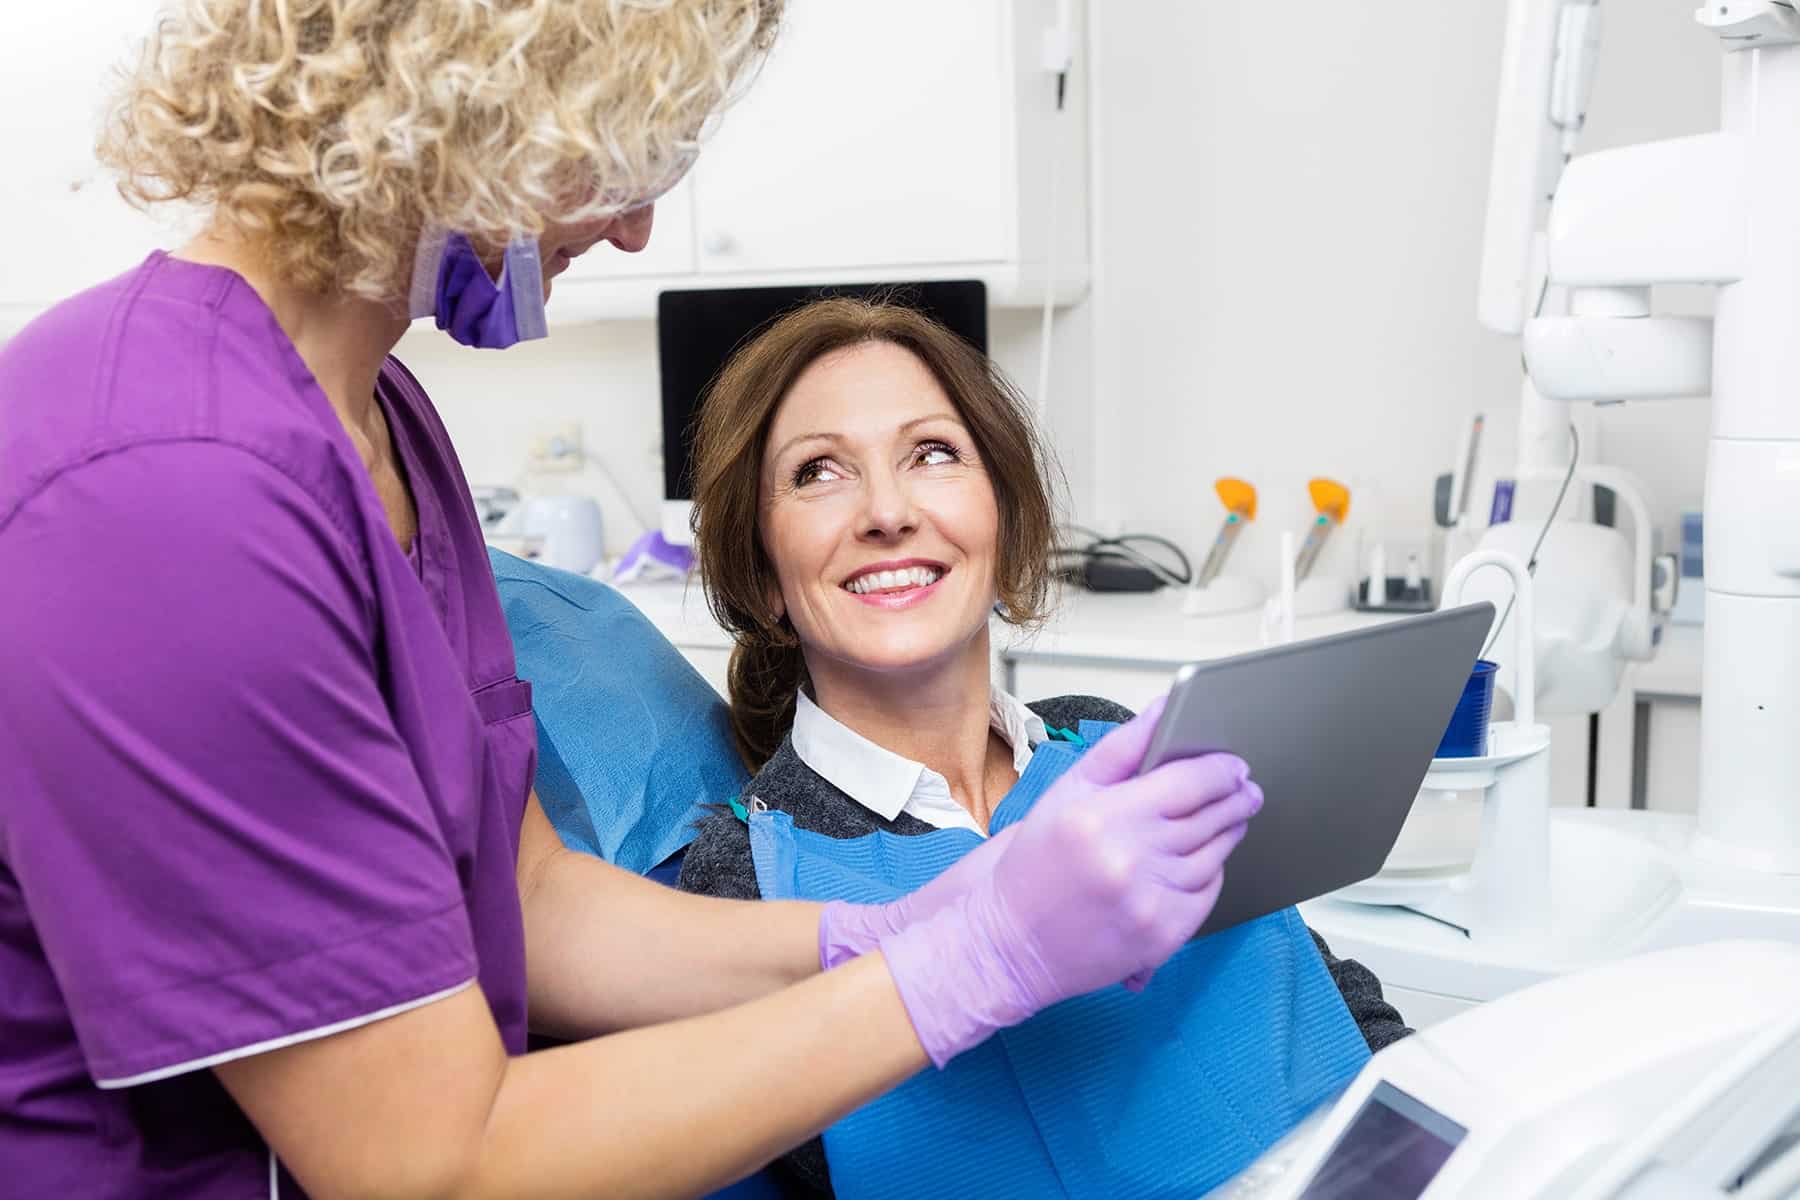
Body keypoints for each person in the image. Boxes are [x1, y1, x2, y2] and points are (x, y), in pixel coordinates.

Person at [0, 3, 1268, 1197]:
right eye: (622, 151)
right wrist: (966, 966)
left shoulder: (379, 421)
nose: (634, 228)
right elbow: (428, 1164)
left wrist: (904, 919)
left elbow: (532, 901)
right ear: (478, 101)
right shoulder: (162, 492)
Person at [676, 297, 1411, 1198]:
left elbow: (1322, 992)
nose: (887, 510)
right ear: (762, 570)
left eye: (933, 452)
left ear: (1005, 517)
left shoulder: (1115, 737)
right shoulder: (740, 883)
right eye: (819, 472)